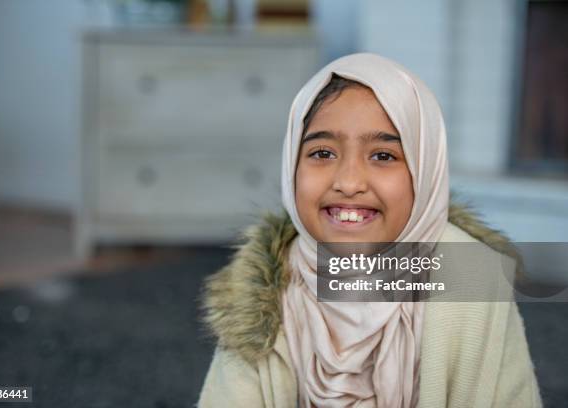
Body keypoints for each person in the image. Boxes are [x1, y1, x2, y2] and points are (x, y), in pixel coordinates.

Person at [197, 53, 542, 407]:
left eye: (383, 156)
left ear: (425, 173)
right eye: (322, 152)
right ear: (291, 166)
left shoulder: (473, 281)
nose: (348, 182)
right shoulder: (262, 294)